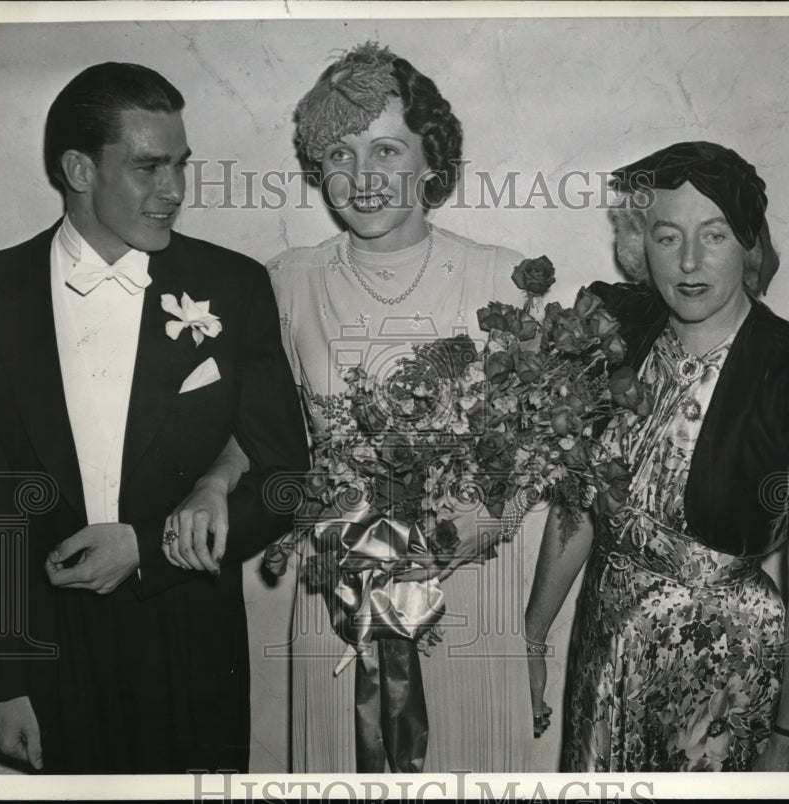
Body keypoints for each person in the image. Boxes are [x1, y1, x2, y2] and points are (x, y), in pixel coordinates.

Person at [166, 42, 535, 772]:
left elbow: (527, 456)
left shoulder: (500, 276)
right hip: (336, 587)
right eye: (339, 153)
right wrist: (213, 480)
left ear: (433, 155)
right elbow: (262, 431)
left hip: (463, 584)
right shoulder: (285, 282)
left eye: (387, 150)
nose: (362, 179)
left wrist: (440, 543)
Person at [0, 62, 308, 774]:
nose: (173, 191)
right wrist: (4, 679)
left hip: (190, 641)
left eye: (179, 165)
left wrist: (148, 546)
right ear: (79, 169)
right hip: (51, 648)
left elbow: (285, 478)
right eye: (148, 168)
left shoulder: (232, 285)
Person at [524, 141, 789, 771]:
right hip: (605, 646)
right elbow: (582, 500)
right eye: (667, 236)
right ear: (640, 243)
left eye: (712, 235)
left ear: (748, 245)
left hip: (724, 671)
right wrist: (532, 632)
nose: (688, 261)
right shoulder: (617, 331)